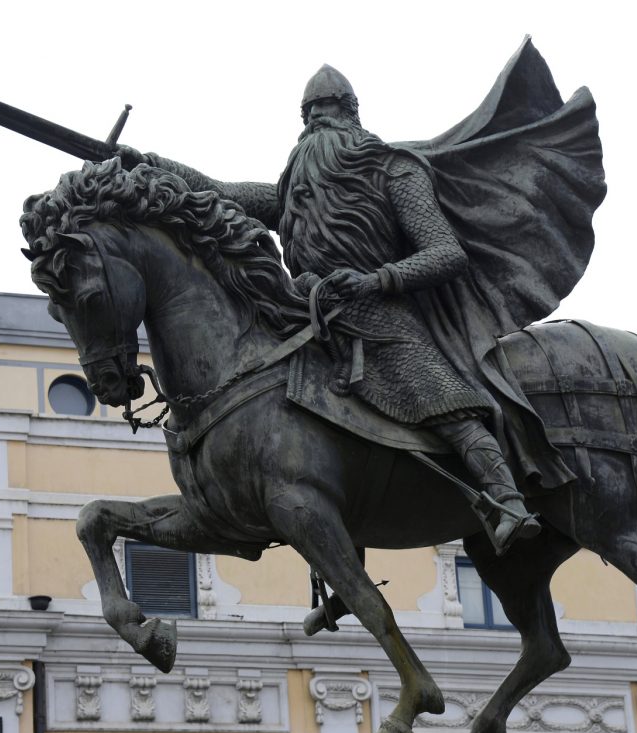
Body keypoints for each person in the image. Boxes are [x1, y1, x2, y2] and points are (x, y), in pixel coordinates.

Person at [117, 44, 605, 554]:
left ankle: (506, 498)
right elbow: (218, 191)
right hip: (307, 318)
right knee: (285, 434)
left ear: (351, 113)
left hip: (384, 313)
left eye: (324, 113)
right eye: (309, 117)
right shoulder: (294, 191)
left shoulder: (393, 169)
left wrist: (375, 281)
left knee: (441, 399)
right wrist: (152, 166)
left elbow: (446, 253)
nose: (316, 126)